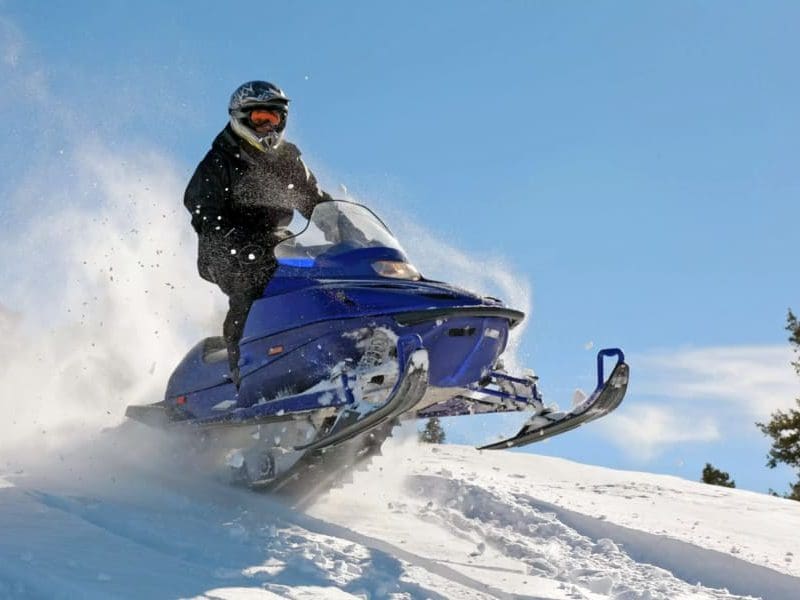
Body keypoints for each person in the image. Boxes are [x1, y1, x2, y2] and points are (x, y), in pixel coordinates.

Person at [184, 80, 333, 386]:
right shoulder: (220, 159)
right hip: (223, 247)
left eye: (273, 119)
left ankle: (318, 356)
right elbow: (200, 206)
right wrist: (228, 237)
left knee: (319, 272)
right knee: (252, 276)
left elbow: (315, 201)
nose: (267, 127)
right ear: (241, 118)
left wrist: (344, 227)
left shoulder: (288, 160)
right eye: (259, 119)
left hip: (274, 242)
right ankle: (242, 374)